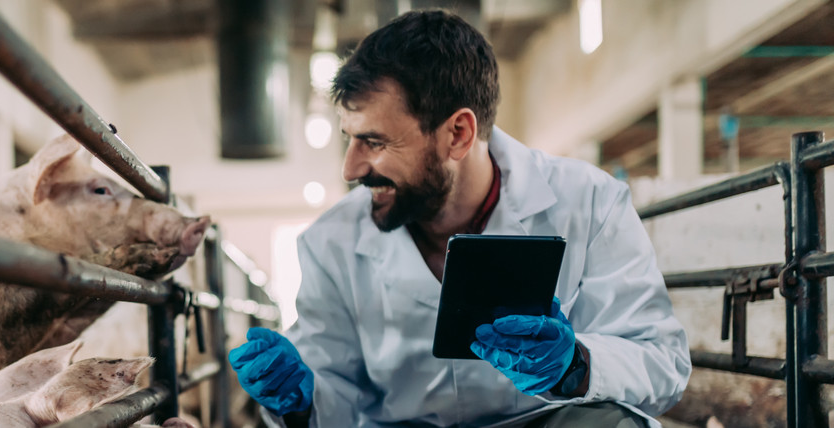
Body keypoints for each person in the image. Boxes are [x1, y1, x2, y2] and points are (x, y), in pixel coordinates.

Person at [228, 9, 690, 428]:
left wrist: (577, 364)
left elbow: (662, 364)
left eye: (375, 142)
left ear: (458, 133)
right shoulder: (331, 242)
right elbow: (335, 397)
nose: (350, 169)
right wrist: (300, 400)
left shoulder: (588, 203)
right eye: (349, 138)